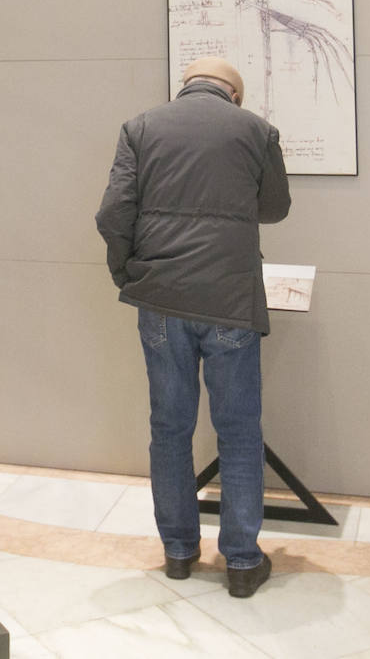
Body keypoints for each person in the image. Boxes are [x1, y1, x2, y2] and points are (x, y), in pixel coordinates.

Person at [96, 55, 291, 597]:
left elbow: (113, 211)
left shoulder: (140, 127)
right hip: (229, 299)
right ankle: (243, 562)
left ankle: (179, 552)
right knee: (239, 431)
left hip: (161, 301)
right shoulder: (256, 129)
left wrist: (128, 272)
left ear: (186, 87)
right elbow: (275, 208)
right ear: (235, 95)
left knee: (169, 427)